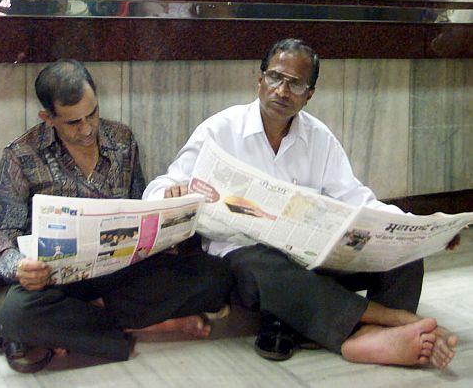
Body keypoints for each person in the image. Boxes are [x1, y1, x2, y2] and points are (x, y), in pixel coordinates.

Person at [143, 38, 458, 370]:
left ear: (310, 94)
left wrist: (419, 229)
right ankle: (389, 322)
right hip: (250, 264)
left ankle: (369, 333)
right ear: (259, 80)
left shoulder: (319, 139)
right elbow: (161, 187)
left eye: (295, 84)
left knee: (405, 257)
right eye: (275, 78)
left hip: (311, 258)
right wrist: (170, 193)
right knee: (264, 264)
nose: (282, 90)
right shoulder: (220, 130)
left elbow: (357, 200)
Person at [0, 60, 231, 372]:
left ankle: (81, 325)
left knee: (216, 276)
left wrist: (166, 220)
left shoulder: (122, 140)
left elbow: (140, 207)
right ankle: (147, 325)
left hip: (121, 270)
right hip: (60, 280)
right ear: (48, 118)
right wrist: (19, 266)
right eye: (73, 122)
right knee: (16, 314)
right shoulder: (21, 155)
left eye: (93, 114)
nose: (87, 130)